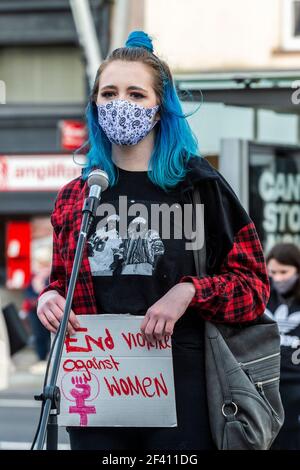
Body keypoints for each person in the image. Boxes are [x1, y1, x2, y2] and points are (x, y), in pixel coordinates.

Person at [37, 30, 270, 451]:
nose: (120, 104)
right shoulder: (78, 195)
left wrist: (189, 291)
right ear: (94, 106)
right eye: (108, 93)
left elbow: (253, 289)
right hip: (97, 393)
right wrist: (48, 301)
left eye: (136, 94)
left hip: (186, 397)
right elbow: (60, 284)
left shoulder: (201, 188)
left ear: (160, 109)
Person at [266, 243, 300, 450]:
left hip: (295, 384)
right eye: (273, 272)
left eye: (284, 272)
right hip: (267, 383)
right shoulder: (263, 296)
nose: (278, 278)